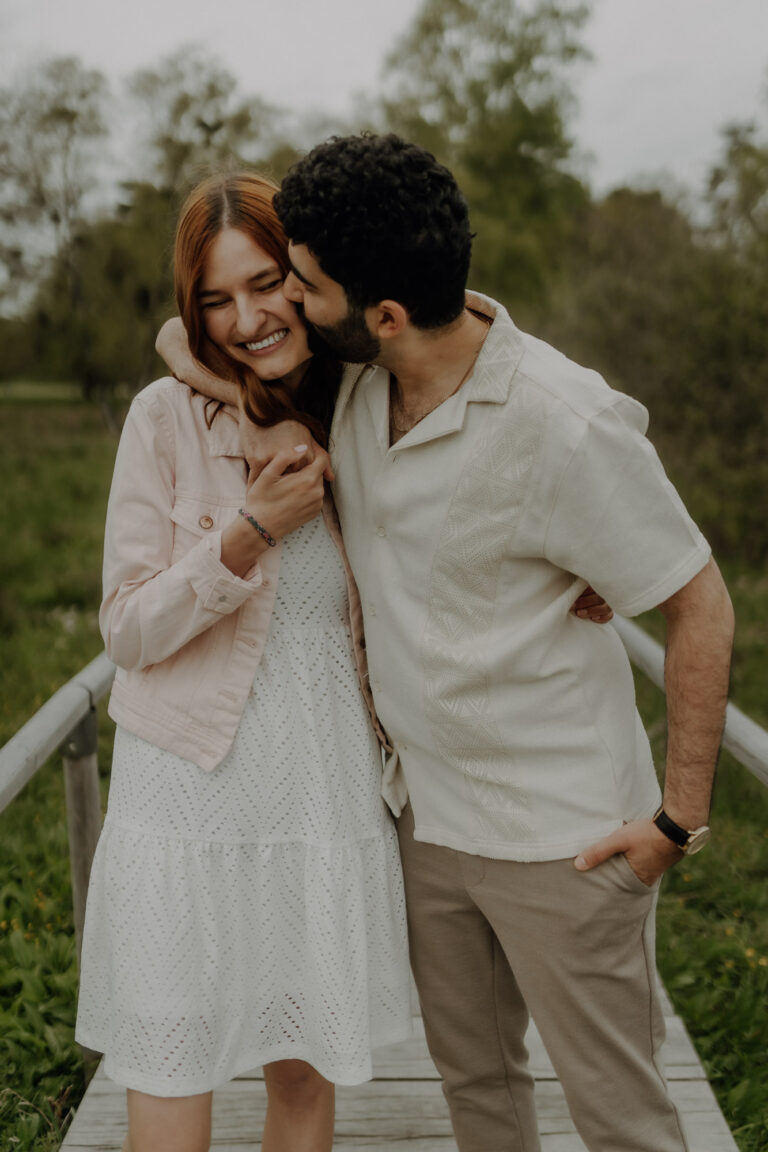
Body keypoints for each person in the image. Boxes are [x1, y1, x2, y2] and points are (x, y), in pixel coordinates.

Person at [159, 134, 734, 1152]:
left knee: (624, 1120)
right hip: (426, 826)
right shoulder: (361, 381)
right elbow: (198, 351)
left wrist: (678, 819)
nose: (286, 301)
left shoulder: (568, 423)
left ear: (382, 311)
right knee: (480, 1096)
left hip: (569, 837)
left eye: (302, 283)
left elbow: (700, 605)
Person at [74, 171, 414, 1152]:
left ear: (309, 275)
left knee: (304, 1073)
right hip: (185, 790)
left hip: (322, 788)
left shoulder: (365, 405)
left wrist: (576, 571)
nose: (247, 318)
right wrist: (248, 534)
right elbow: (127, 629)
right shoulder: (162, 420)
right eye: (215, 300)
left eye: (266, 283)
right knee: (171, 1059)